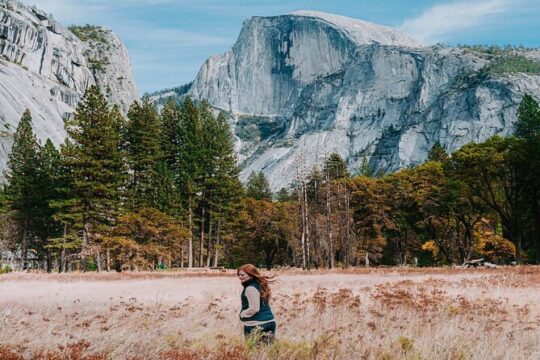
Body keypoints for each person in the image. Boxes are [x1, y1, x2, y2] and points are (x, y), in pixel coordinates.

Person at [237, 264, 276, 344]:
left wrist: (243, 314)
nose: (240, 277)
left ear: (251, 275)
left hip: (256, 324)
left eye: (242, 275)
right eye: (239, 275)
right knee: (267, 352)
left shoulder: (250, 288)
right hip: (269, 322)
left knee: (255, 352)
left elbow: (254, 308)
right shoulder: (259, 285)